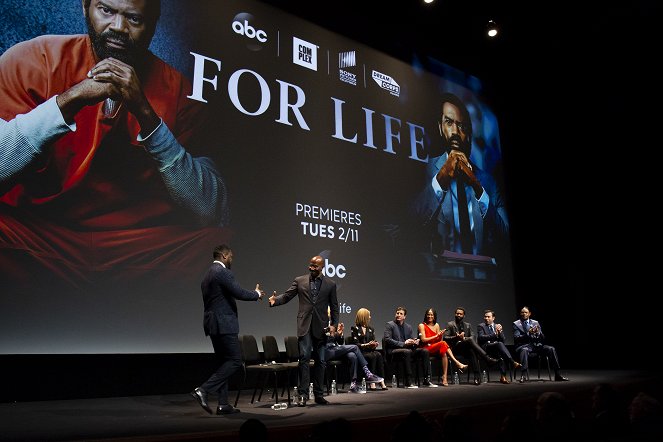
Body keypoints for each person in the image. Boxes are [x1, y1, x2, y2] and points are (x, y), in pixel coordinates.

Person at [0, 0, 228, 288]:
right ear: (85, 7)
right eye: (106, 11)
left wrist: (146, 115)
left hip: (135, 246)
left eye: (133, 18)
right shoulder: (32, 60)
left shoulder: (183, 91)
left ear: (154, 22)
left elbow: (208, 210)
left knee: (222, 247)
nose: (118, 28)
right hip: (40, 233)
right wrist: (70, 101)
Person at [411, 92, 508, 279]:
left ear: (469, 133)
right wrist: (441, 178)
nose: (455, 131)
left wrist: (478, 187)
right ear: (440, 128)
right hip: (438, 280)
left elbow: (505, 235)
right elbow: (409, 223)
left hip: (484, 282)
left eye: (461, 126)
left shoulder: (487, 181)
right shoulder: (425, 169)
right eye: (449, 122)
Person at [190, 244, 264, 415]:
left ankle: (223, 404)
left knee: (224, 363)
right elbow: (238, 292)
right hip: (224, 323)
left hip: (212, 323)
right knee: (235, 360)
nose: (232, 260)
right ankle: (203, 390)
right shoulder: (222, 272)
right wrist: (256, 294)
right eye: (231, 257)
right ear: (224, 256)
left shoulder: (207, 275)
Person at [268, 255, 338, 407]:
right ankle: (303, 395)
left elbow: (334, 307)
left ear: (322, 267)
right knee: (304, 358)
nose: (311, 268)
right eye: (310, 265)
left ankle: (319, 395)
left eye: (315, 266)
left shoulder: (330, 284)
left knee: (321, 361)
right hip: (304, 325)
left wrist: (334, 324)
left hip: (321, 327)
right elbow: (287, 296)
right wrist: (275, 301)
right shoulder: (300, 280)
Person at [325, 314, 385, 392]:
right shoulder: (322, 325)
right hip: (327, 351)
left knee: (352, 356)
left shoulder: (332, 324)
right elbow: (324, 338)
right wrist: (333, 334)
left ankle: (353, 384)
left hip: (336, 350)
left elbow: (340, 341)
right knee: (355, 347)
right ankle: (368, 373)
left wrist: (340, 334)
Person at [442, 306, 498, 385]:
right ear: (455, 314)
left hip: (465, 349)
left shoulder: (468, 325)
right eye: (457, 313)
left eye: (460, 314)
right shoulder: (450, 324)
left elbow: (473, 336)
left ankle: (477, 377)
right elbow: (445, 338)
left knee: (472, 350)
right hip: (455, 349)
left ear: (464, 316)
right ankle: (487, 358)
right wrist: (456, 337)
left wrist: (464, 338)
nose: (458, 315)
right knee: (470, 341)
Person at [383, 306, 437, 388]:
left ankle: (427, 379)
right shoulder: (390, 325)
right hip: (394, 351)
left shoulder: (408, 327)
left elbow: (411, 340)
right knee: (407, 352)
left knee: (424, 351)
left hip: (407, 350)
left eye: (401, 314)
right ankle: (408, 381)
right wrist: (403, 343)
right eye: (397, 313)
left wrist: (415, 341)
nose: (398, 315)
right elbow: (387, 340)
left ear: (404, 316)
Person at [512, 306, 568, 383]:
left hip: (537, 345)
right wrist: (529, 333)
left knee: (551, 349)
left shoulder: (535, 322)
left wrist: (539, 333)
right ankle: (523, 375)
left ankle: (557, 374)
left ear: (529, 314)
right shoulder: (516, 324)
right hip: (524, 346)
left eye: (526, 312)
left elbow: (542, 337)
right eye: (522, 312)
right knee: (524, 350)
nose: (524, 314)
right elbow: (517, 338)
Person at [417, 307, 467, 386]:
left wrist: (439, 335)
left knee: (444, 352)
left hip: (434, 348)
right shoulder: (422, 325)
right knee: (443, 344)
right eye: (428, 315)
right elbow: (423, 340)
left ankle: (445, 377)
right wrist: (437, 335)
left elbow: (438, 341)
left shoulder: (436, 325)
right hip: (425, 349)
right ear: (426, 316)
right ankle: (457, 363)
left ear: (434, 316)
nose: (430, 316)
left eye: (431, 315)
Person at [477, 309, 522, 384]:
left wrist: (500, 332)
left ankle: (503, 377)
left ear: (493, 318)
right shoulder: (481, 326)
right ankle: (512, 362)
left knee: (501, 353)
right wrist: (495, 334)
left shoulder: (497, 326)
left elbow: (503, 340)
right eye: (485, 317)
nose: (486, 318)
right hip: (486, 348)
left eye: (488, 317)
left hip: (496, 349)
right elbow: (481, 337)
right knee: (499, 344)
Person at [351, 307, 388, 390]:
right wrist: (366, 345)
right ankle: (372, 382)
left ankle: (382, 381)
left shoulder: (371, 329)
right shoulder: (355, 329)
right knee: (372, 356)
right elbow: (356, 344)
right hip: (360, 352)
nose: (370, 317)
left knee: (378, 354)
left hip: (370, 351)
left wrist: (374, 344)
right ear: (364, 317)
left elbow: (373, 341)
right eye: (369, 315)